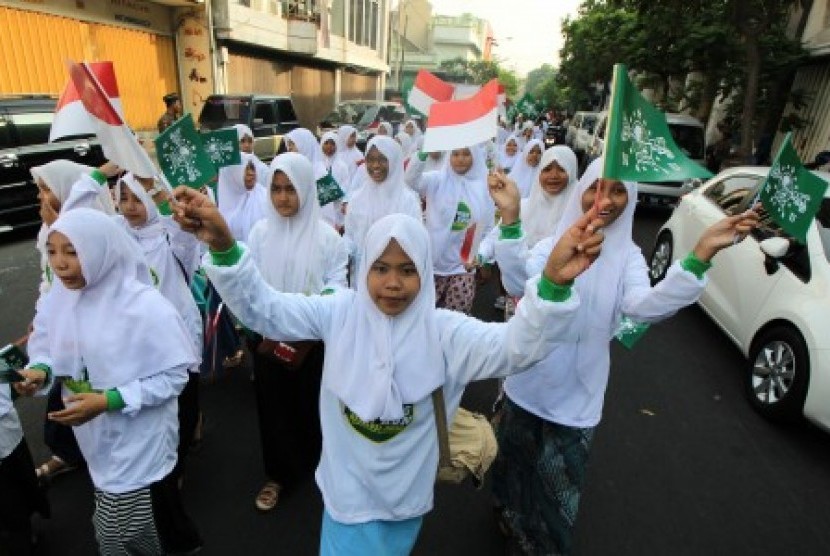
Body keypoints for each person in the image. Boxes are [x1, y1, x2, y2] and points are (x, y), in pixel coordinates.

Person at [169, 180, 606, 555]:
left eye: (407, 270)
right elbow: (264, 310)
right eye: (380, 268)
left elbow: (517, 346)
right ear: (363, 272)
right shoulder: (338, 313)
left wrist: (552, 283)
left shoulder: (446, 333)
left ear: (424, 273)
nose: (392, 283)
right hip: (345, 499)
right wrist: (224, 246)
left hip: (405, 502)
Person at [488, 158, 760, 555]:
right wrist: (511, 219)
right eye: (597, 187)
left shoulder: (630, 258)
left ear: (630, 199)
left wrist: (700, 255)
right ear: (581, 191)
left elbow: (644, 307)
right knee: (511, 469)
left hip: (577, 400)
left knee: (556, 494)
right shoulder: (552, 244)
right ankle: (507, 515)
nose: (606, 199)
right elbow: (516, 282)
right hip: (526, 383)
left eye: (618, 190)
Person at [17, 209, 202, 555]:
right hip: (94, 438)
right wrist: (40, 372)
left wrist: (110, 400)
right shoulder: (60, 298)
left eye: (73, 252)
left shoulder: (145, 307)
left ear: (101, 249)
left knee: (117, 534)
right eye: (53, 251)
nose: (60, 263)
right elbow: (46, 344)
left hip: (140, 439)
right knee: (144, 522)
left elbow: (175, 376)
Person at [245, 153, 348, 512]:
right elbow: (250, 284)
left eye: (291, 189)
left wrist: (311, 316)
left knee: (313, 407)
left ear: (306, 189)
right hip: (269, 340)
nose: (283, 198)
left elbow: (337, 286)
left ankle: (320, 467)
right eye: (276, 189)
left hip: (313, 342)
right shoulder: (259, 233)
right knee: (273, 409)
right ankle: (278, 474)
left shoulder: (328, 239)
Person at [28, 161, 118, 482]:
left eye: (47, 188)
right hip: (64, 329)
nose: (41, 197)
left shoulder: (96, 232)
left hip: (94, 338)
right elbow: (49, 281)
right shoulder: (48, 232)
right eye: (39, 189)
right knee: (65, 394)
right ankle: (70, 454)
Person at [115, 173, 204, 483]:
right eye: (123, 198)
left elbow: (187, 235)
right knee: (151, 404)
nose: (129, 207)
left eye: (137, 198)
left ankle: (177, 464)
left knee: (183, 399)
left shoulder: (171, 237)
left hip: (175, 332)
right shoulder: (117, 234)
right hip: (136, 337)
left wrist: (170, 206)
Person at [405, 145, 495, 313]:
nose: (460, 158)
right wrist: (424, 151)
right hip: (432, 266)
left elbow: (489, 230)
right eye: (455, 154)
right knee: (426, 319)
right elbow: (410, 180)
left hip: (463, 268)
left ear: (475, 157)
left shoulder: (484, 188)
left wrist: (482, 255)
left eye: (466, 154)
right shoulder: (437, 180)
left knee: (454, 323)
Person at [344, 136, 422, 283]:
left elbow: (416, 240)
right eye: (370, 159)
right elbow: (350, 236)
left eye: (382, 159)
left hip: (395, 278)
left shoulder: (408, 200)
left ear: (394, 161)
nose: (375, 165)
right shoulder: (357, 199)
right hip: (363, 274)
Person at [1, 379, 50, 555]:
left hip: (7, 429)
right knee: (9, 499)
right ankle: (20, 536)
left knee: (21, 480)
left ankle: (24, 529)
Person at [216, 153, 268, 242]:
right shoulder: (224, 200)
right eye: (245, 169)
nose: (251, 173)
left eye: (252, 168)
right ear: (233, 173)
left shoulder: (266, 197)